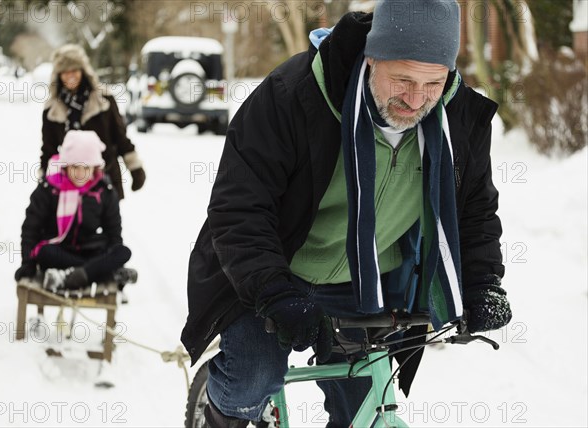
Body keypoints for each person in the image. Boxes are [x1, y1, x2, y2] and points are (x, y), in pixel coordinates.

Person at [180, 1, 513, 426]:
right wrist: (274, 292)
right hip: (272, 271)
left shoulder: (459, 118)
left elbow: (475, 210)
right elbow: (240, 207)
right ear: (372, 57)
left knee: (365, 410)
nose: (416, 99)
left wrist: (484, 283)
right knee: (252, 377)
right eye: (403, 79)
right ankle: (219, 412)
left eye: (433, 83)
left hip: (365, 281)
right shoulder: (292, 95)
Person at [15, 130, 133, 291]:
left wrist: (114, 255)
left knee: (122, 252)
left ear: (94, 167)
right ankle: (98, 271)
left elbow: (113, 232)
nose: (80, 173)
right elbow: (30, 228)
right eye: (75, 167)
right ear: (66, 165)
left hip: (89, 248)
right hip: (59, 249)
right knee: (44, 252)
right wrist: (28, 263)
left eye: (86, 168)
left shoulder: (104, 191)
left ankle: (75, 275)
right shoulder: (49, 188)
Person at [41, 43, 146, 200]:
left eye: (74, 70)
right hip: (69, 183)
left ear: (83, 71)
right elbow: (48, 149)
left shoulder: (104, 100)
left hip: (106, 178)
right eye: (65, 72)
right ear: (58, 75)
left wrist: (135, 167)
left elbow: (120, 136)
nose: (70, 75)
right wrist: (43, 178)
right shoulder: (52, 109)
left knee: (110, 223)